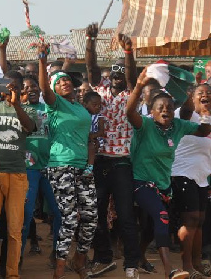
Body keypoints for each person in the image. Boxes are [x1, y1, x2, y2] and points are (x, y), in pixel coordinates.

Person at [126, 67, 211, 279]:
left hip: (164, 185)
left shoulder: (177, 126)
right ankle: (169, 271)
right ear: (152, 111)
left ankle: (139, 257)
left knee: (150, 226)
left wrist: (206, 115)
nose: (166, 111)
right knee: (161, 217)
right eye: (161, 108)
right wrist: (137, 87)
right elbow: (129, 113)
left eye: (170, 108)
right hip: (142, 182)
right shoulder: (144, 125)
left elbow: (203, 131)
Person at [85, 25, 141, 278]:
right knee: (95, 213)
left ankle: (131, 264)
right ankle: (103, 258)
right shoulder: (101, 90)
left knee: (127, 215)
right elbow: (91, 68)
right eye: (115, 69)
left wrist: (128, 52)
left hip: (122, 163)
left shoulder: (131, 93)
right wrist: (90, 40)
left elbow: (131, 76)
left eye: (122, 69)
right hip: (99, 161)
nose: (118, 73)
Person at [37, 42, 96, 279]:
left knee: (91, 218)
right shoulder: (54, 104)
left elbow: (90, 139)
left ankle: (79, 258)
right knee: (70, 218)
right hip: (60, 166)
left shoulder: (81, 108)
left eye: (66, 79)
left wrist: (90, 164)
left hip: (83, 166)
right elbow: (43, 87)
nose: (65, 82)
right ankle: (60, 268)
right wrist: (43, 60)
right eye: (59, 81)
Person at [0, 72, 36, 279]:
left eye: (14, 87)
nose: (10, 89)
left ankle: (12, 274)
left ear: (21, 89)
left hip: (17, 174)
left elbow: (29, 127)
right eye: (7, 86)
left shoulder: (27, 110)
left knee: (14, 231)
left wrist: (16, 104)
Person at [171, 84, 211, 278]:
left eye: (208, 94)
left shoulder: (210, 116)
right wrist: (191, 97)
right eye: (200, 93)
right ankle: (187, 265)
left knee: (200, 220)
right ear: (191, 97)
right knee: (190, 219)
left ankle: (197, 262)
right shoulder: (184, 113)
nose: (205, 96)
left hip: (202, 176)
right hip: (182, 172)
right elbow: (187, 110)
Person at [20, 75, 61, 265]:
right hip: (28, 169)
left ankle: (57, 254)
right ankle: (16, 257)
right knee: (26, 214)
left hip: (50, 166)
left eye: (34, 86)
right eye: (27, 88)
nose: (32, 90)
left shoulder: (48, 109)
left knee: (59, 211)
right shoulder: (18, 110)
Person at [83, 91, 104, 176]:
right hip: (84, 138)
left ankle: (89, 169)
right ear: (85, 105)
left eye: (99, 105)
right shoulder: (82, 115)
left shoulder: (99, 117)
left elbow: (101, 131)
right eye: (94, 105)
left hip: (94, 140)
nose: (98, 107)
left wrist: (92, 135)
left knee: (91, 146)